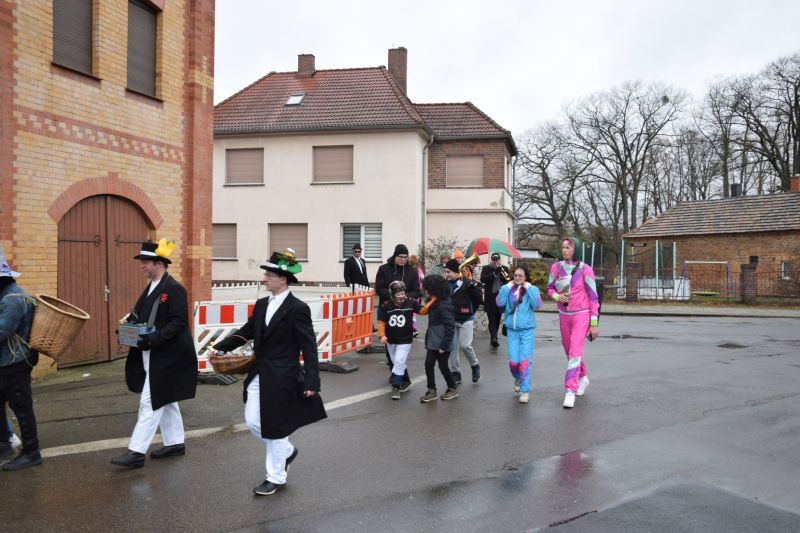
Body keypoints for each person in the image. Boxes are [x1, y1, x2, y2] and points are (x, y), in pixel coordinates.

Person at [208, 249, 326, 496]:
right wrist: (220, 347)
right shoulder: (262, 305)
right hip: (259, 371)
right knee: (253, 421)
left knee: (273, 425)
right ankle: (286, 451)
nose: (264, 280)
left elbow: (309, 347)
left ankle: (275, 477)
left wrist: (312, 381)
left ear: (283, 278)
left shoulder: (297, 308)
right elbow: (247, 331)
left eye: (269, 275)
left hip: (283, 376)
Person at [111, 239, 198, 468]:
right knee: (167, 399)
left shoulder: (174, 288)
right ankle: (175, 443)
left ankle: (136, 451)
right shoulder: (151, 287)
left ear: (159, 263)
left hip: (170, 355)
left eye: (146, 262)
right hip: (152, 352)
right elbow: (137, 313)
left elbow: (179, 322)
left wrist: (154, 338)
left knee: (150, 401)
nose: (142, 266)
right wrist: (125, 326)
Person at [0, 246, 42, 471]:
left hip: (14, 364)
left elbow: (1, 331)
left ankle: (31, 452)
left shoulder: (12, 301)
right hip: (5, 363)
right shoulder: (7, 296)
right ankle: (3, 445)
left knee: (21, 408)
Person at [547, 237, 600, 409]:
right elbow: (550, 288)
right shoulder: (556, 267)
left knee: (575, 351)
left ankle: (570, 390)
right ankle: (583, 377)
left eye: (568, 247)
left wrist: (593, 323)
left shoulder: (586, 269)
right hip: (563, 314)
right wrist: (556, 296)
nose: (564, 250)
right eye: (563, 247)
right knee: (569, 350)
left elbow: (593, 297)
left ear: (575, 249)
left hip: (581, 314)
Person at [375, 244, 420, 388]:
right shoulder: (384, 269)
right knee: (389, 346)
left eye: (406, 257)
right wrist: (393, 297)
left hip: (405, 312)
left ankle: (400, 377)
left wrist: (405, 298)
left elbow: (416, 290)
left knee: (402, 346)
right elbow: (379, 288)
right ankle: (398, 374)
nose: (403, 260)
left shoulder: (412, 271)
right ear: (395, 256)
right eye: (400, 257)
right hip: (387, 309)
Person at [496, 265, 542, 404]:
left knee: (524, 362)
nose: (517, 278)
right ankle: (518, 377)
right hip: (512, 331)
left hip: (527, 331)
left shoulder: (531, 290)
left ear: (525, 277)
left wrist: (529, 288)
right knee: (513, 363)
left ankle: (525, 390)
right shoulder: (508, 289)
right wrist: (506, 287)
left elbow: (537, 305)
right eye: (515, 275)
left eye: (520, 276)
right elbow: (500, 303)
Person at [378, 281, 424, 400]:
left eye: (402, 294)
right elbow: (381, 322)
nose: (401, 297)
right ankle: (406, 380)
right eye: (398, 294)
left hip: (405, 339)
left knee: (398, 361)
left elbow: (423, 311)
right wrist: (382, 335)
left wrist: (433, 301)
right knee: (396, 362)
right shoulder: (386, 305)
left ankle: (396, 387)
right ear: (392, 295)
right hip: (391, 340)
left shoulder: (411, 303)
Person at [443, 259, 483, 385]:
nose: (446, 274)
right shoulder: (445, 284)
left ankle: (475, 365)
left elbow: (478, 300)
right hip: (451, 320)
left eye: (448, 272)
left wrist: (470, 311)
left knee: (465, 346)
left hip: (466, 319)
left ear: (456, 271)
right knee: (453, 348)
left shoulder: (468, 283)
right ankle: (456, 373)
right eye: (445, 272)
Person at [419, 275, 458, 403]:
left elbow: (450, 326)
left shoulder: (443, 305)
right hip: (433, 340)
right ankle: (431, 390)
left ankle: (452, 388)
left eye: (427, 289)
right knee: (428, 364)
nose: (425, 291)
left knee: (443, 366)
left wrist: (443, 345)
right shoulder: (435, 301)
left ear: (433, 289)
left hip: (442, 342)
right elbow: (423, 309)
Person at [480, 253, 507, 348]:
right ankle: (494, 338)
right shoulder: (486, 268)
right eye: (493, 260)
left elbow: (507, 280)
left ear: (499, 260)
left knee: (497, 318)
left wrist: (502, 272)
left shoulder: (504, 268)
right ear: (491, 260)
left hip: (500, 297)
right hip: (490, 297)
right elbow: (483, 279)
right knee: (491, 318)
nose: (495, 261)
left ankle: (494, 336)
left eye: (497, 260)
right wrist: (494, 273)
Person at [407, 255, 425, 337]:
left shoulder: (412, 270)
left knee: (412, 312)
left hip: (416, 293)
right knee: (412, 312)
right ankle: (413, 328)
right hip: (414, 293)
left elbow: (422, 281)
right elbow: (422, 281)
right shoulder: (418, 270)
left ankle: (412, 328)